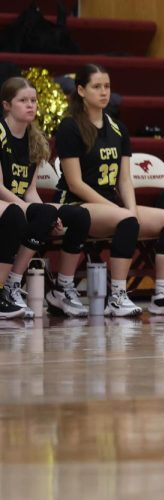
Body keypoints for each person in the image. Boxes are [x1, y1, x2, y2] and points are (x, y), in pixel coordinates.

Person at [55, 64, 164, 316]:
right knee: (125, 220)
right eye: (96, 87)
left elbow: (125, 180)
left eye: (107, 87)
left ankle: (161, 295)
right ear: (81, 90)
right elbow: (75, 183)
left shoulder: (118, 129)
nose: (104, 92)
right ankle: (117, 296)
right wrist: (119, 212)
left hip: (110, 206)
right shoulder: (70, 127)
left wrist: (131, 210)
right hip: (75, 204)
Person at [0, 76, 93, 318]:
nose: (30, 105)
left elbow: (30, 191)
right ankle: (7, 287)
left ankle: (56, 287)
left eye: (33, 100)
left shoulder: (35, 139)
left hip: (17, 201)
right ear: (7, 105)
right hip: (4, 200)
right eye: (23, 101)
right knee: (18, 216)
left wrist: (47, 215)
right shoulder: (0, 133)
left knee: (78, 214)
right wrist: (26, 209)